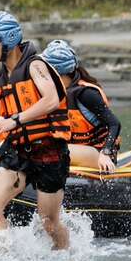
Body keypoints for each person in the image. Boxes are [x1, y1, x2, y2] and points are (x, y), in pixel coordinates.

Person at [0, 11, 72, 250]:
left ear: (9, 38)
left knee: (49, 223)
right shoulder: (0, 76)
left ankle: (65, 259)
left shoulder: (35, 66)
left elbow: (51, 100)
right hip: (18, 152)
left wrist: (14, 121)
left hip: (49, 152)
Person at [41, 40, 121, 173]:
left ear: (57, 72)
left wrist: (105, 153)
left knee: (53, 150)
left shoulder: (85, 94)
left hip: (99, 156)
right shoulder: (55, 94)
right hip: (75, 152)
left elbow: (115, 124)